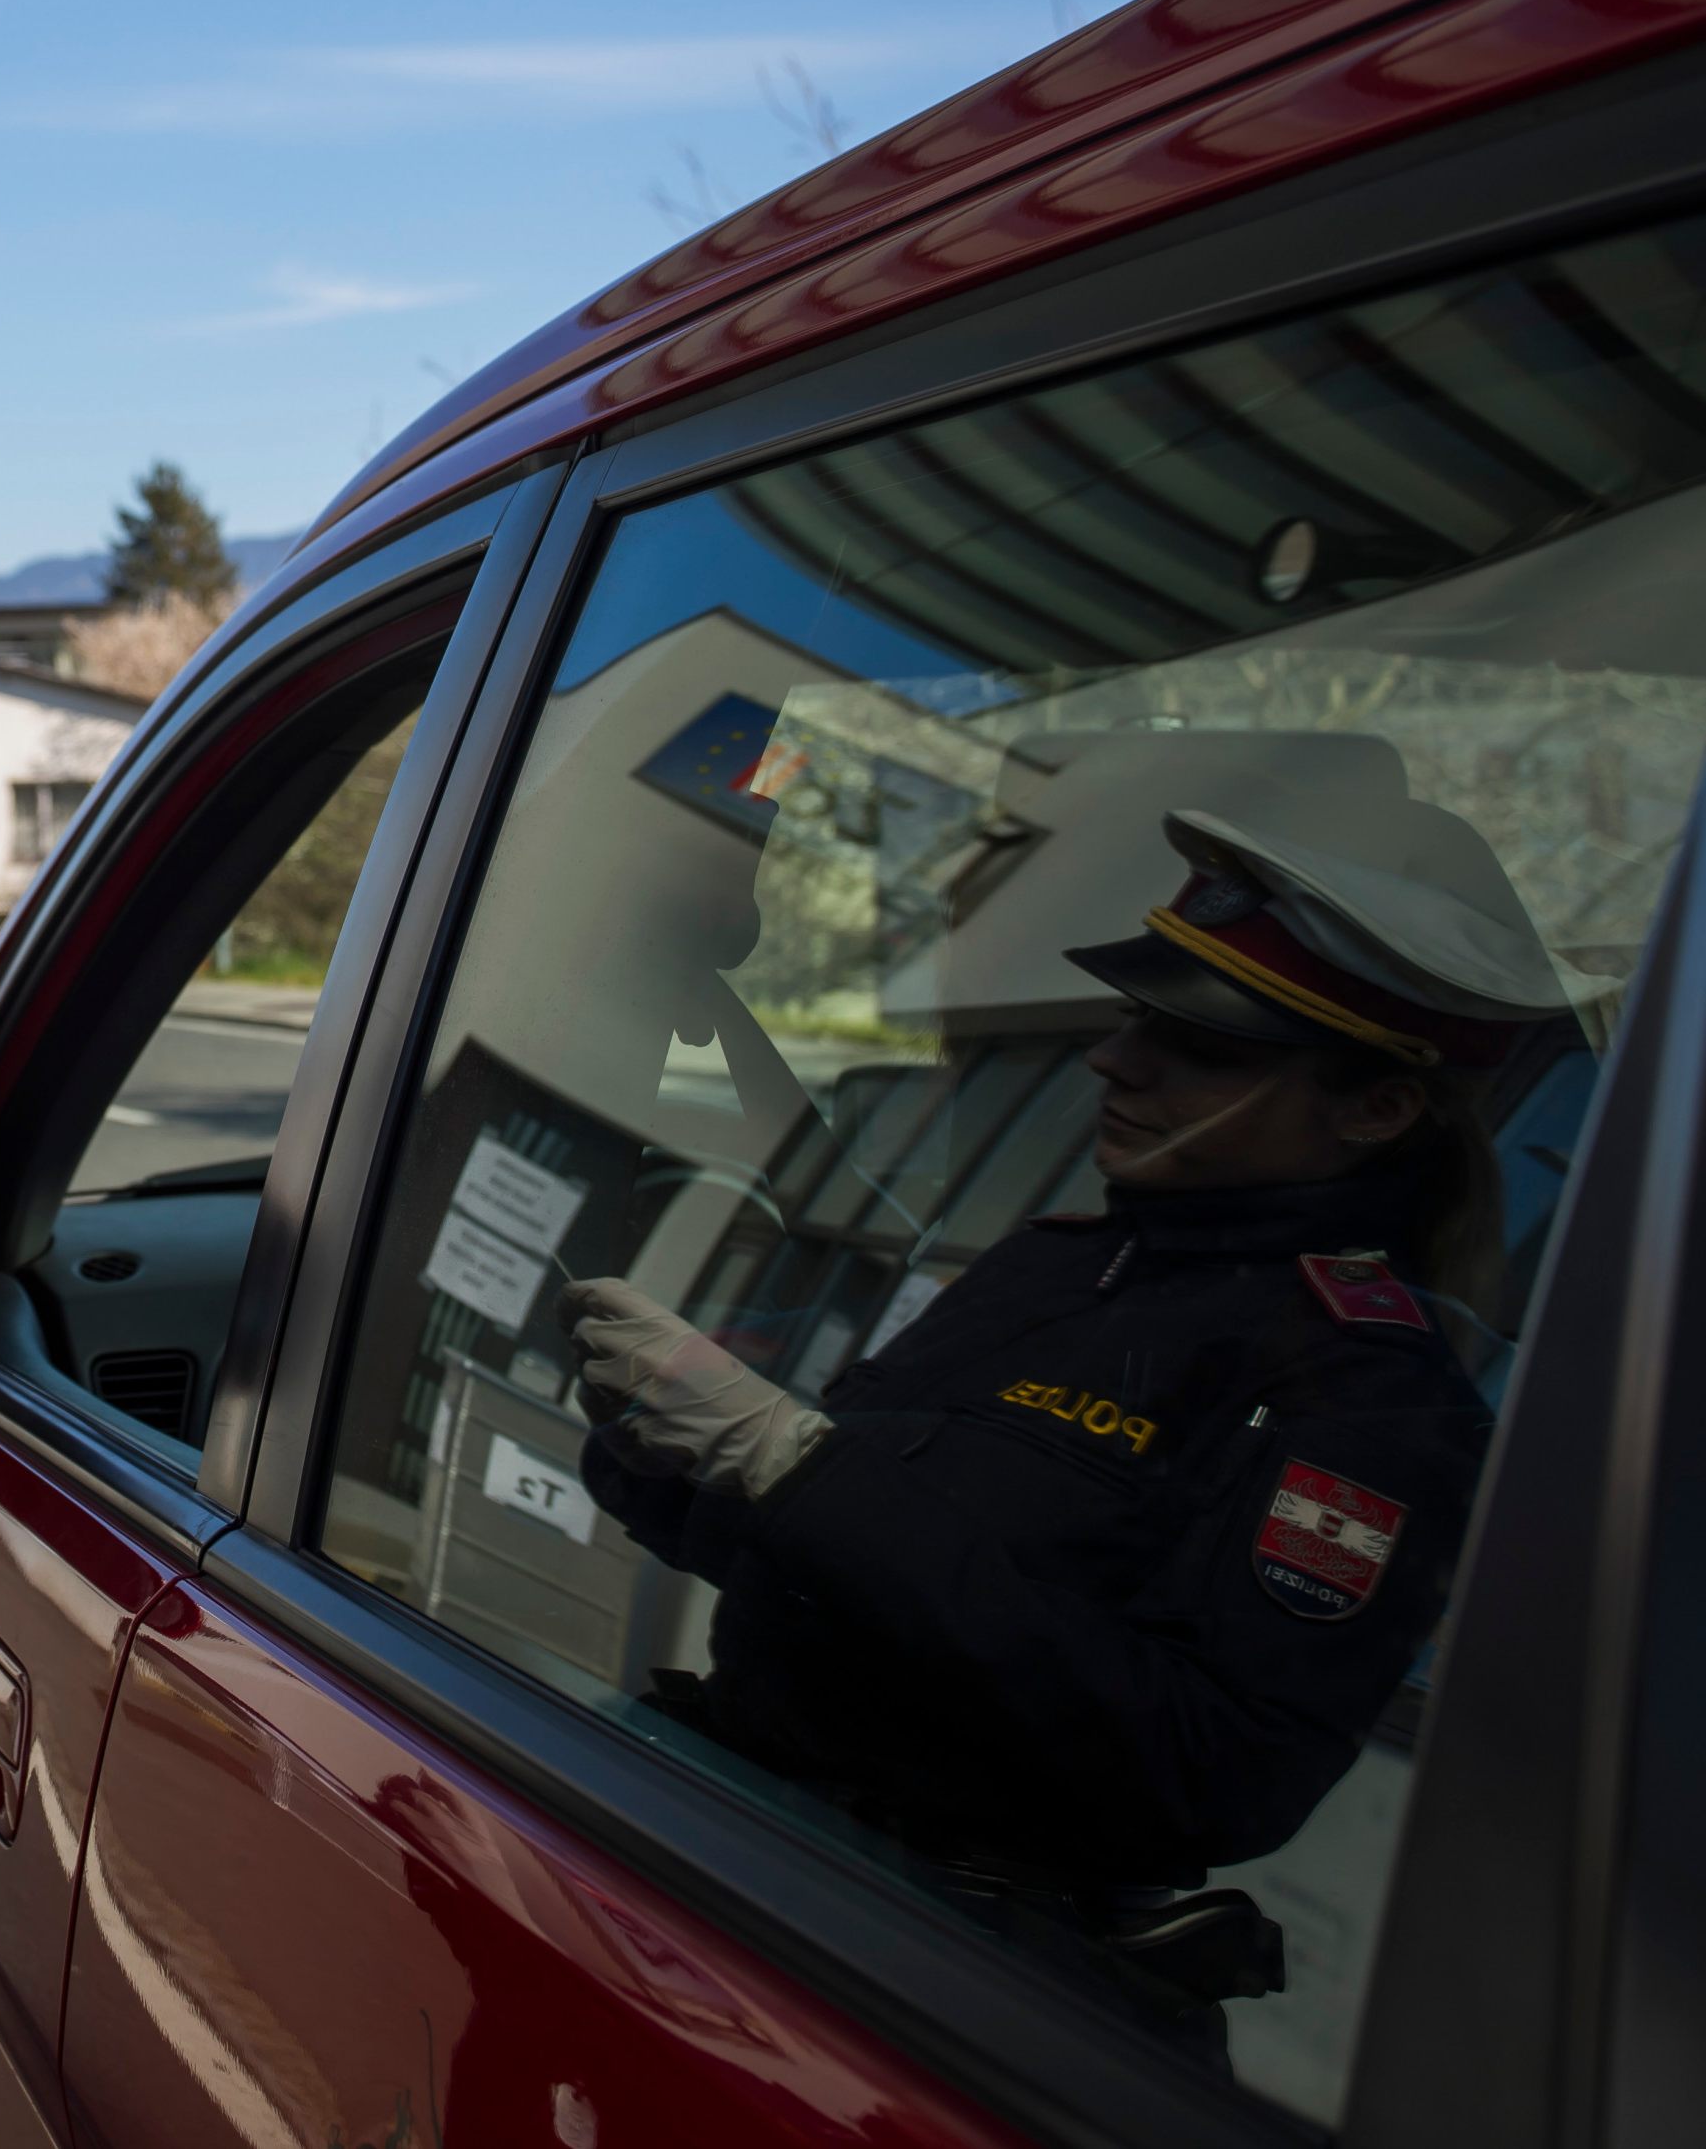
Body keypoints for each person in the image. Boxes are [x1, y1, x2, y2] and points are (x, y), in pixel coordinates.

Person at [558, 807, 1571, 2057]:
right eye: (1138, 1015)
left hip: (934, 1981)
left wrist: (790, 1465)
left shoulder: (1365, 1396)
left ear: (1373, 1108)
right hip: (743, 1858)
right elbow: (848, 1567)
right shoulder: (1059, 1271)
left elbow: (1208, 1767)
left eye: (1195, 1044)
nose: (1112, 1059)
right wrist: (658, 1451)